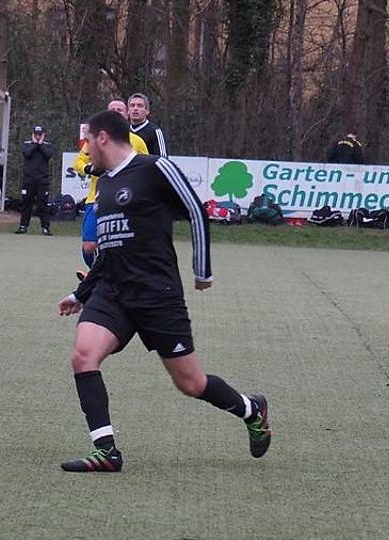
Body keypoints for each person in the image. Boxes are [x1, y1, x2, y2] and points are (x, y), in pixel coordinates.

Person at [55, 110, 271, 472]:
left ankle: (251, 410)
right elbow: (108, 251)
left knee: (191, 383)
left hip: (157, 295)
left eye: (87, 140)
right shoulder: (104, 185)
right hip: (113, 294)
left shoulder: (155, 168)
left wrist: (202, 270)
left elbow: (196, 211)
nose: (85, 149)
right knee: (83, 356)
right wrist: (81, 294)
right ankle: (107, 453)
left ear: (103, 137)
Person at [72, 99, 149, 273]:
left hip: (126, 200)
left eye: (120, 110)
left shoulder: (137, 141)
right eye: (112, 109)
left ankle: (105, 277)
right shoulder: (97, 139)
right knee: (89, 246)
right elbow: (78, 161)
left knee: (121, 244)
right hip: (97, 198)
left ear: (126, 115)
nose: (116, 112)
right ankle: (99, 274)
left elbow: (146, 167)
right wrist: (88, 168)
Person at [15, 125, 56, 236]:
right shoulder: (27, 144)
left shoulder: (47, 145)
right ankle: (23, 226)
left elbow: (48, 155)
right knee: (26, 204)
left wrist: (40, 144)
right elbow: (27, 153)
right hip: (29, 180)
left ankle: (45, 227)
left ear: (43, 135)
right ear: (33, 134)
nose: (38, 137)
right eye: (36, 134)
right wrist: (35, 144)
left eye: (40, 135)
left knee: (43, 204)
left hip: (42, 181)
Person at [127, 93, 168, 157]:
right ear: (128, 111)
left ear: (147, 111)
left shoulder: (155, 131)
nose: (135, 108)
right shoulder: (124, 131)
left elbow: (162, 158)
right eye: (132, 105)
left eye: (140, 106)